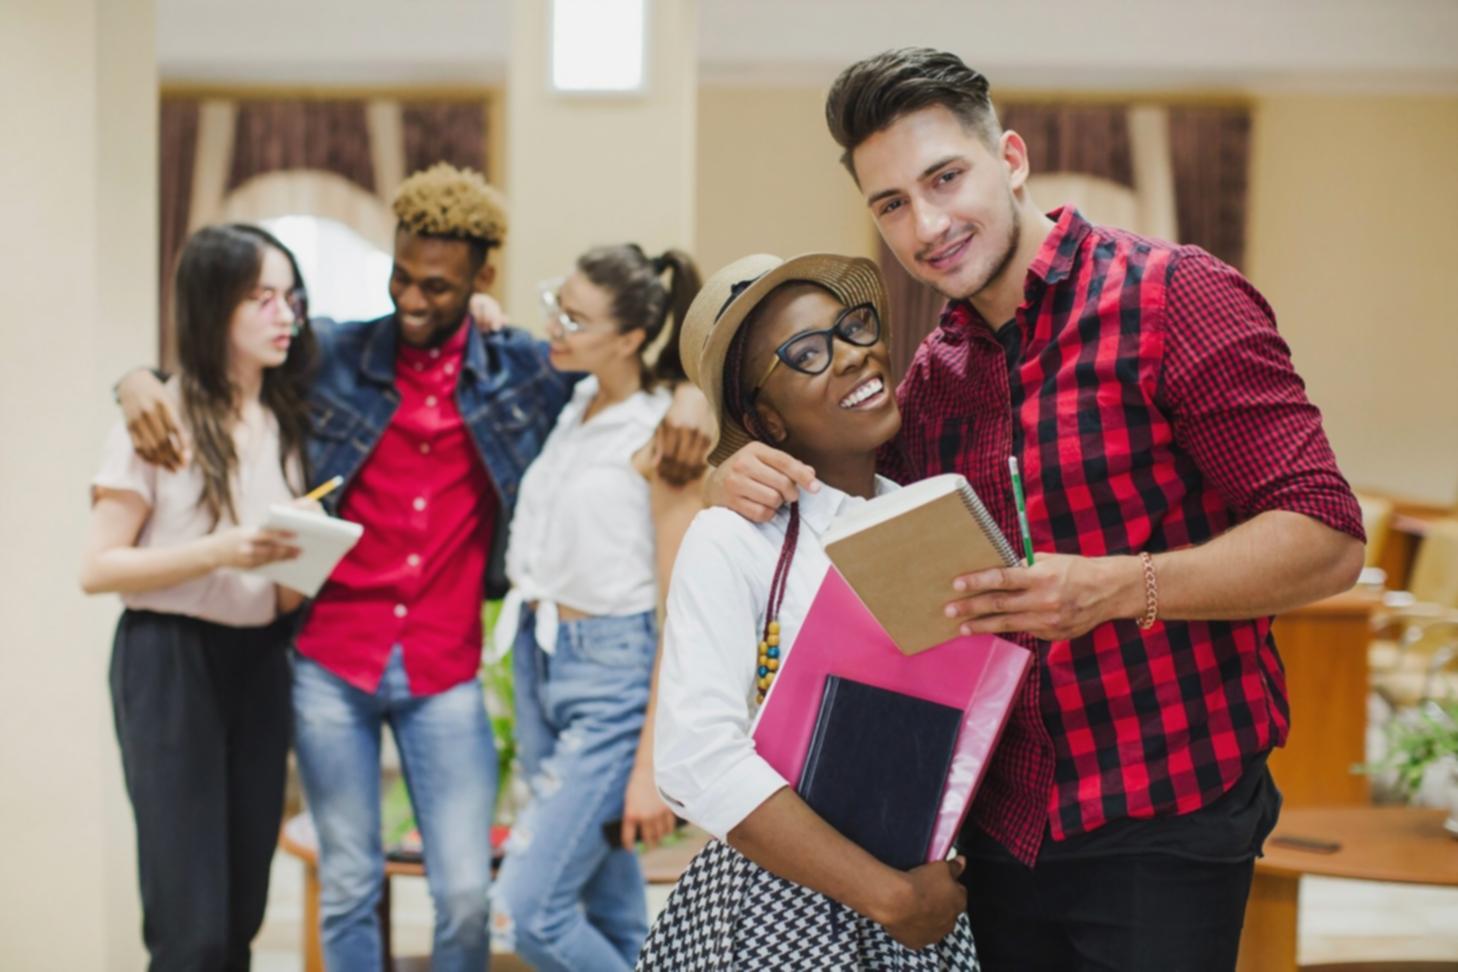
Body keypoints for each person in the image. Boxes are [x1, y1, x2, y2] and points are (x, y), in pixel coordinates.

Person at [709, 49, 1366, 971]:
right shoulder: (930, 382)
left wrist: (1120, 588)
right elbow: (829, 495)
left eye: (945, 178)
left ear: (1010, 158)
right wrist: (729, 474)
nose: (926, 225)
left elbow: (1329, 537)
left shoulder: (1176, 297)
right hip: (997, 834)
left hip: (1165, 811)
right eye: (891, 204)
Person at [114, 165, 713, 971]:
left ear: (481, 280)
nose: (412, 297)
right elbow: (226, 365)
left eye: (437, 285)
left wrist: (693, 393)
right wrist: (133, 381)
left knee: (468, 894)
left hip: (447, 670)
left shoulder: (525, 371)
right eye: (401, 275)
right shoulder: (331, 352)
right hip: (332, 662)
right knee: (352, 882)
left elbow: (627, 378)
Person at [638, 253, 978, 970]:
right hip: (786, 906)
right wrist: (886, 897)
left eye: (853, 327)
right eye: (809, 353)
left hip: (924, 898)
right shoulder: (734, 535)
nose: (855, 356)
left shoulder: (928, 513)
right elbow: (697, 760)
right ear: (765, 417)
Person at [81, 223, 315, 970]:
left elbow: (279, 601)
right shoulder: (156, 418)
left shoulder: (285, 421)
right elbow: (97, 568)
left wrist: (305, 558)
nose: (284, 315)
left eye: (290, 298)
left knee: (242, 910)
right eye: (262, 297)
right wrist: (223, 549)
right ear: (215, 309)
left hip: (258, 661)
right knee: (191, 926)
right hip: (168, 661)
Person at [489, 243, 710, 971]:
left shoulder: (665, 438)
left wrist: (651, 767)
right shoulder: (577, 402)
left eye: (574, 318)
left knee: (525, 912)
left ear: (629, 338)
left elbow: (677, 612)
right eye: (556, 302)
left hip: (612, 676)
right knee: (609, 910)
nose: (553, 325)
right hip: (540, 660)